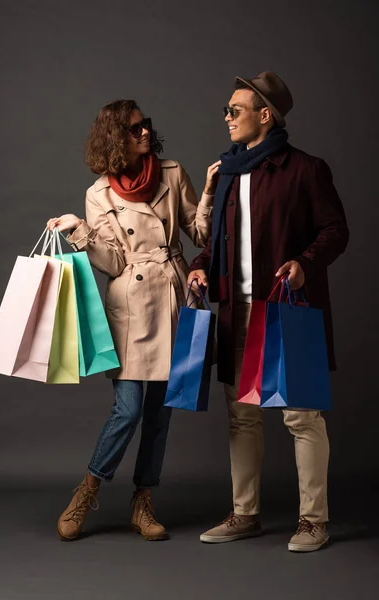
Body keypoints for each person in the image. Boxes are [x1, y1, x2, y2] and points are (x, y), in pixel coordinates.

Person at [188, 72, 349, 552]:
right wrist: (200, 267)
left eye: (235, 109)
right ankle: (244, 514)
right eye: (226, 109)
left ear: (265, 115)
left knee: (301, 418)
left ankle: (313, 521)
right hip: (236, 311)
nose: (227, 117)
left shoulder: (305, 169)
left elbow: (335, 230)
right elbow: (220, 244)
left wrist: (303, 263)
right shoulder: (229, 171)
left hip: (284, 308)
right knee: (241, 417)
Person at [47, 99, 218, 541]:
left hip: (174, 294)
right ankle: (86, 491)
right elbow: (114, 262)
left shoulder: (173, 172)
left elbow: (198, 234)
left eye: (145, 125)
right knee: (129, 408)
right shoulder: (98, 192)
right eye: (134, 129)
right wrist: (78, 232)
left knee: (161, 413)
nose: (145, 133)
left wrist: (211, 194)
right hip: (131, 303)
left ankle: (143, 501)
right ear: (115, 138)